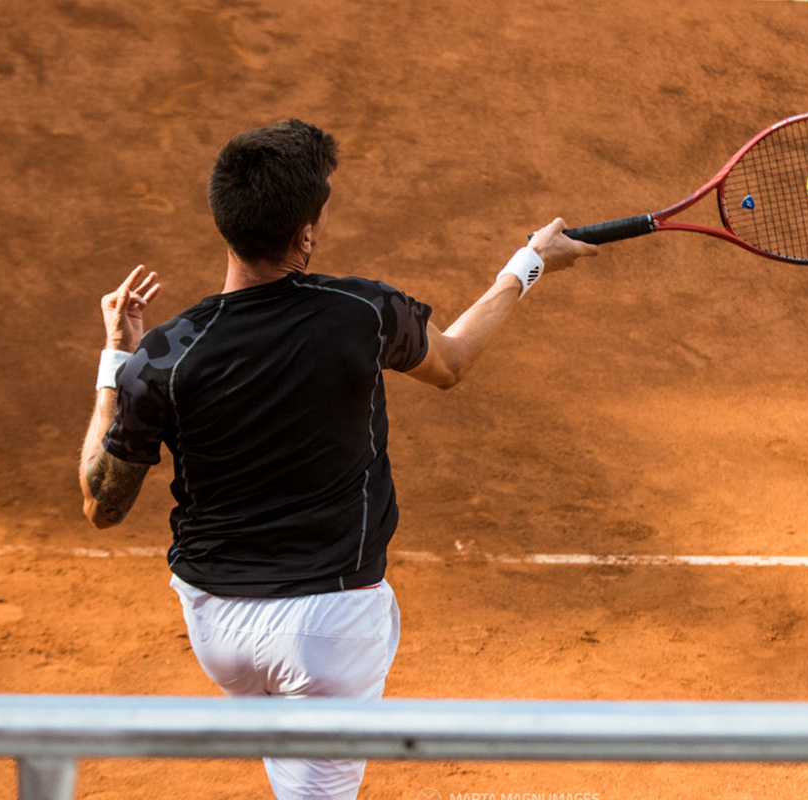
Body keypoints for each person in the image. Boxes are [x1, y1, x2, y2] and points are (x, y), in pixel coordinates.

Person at [77, 118, 597, 800]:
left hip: (215, 627)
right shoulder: (361, 313)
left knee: (291, 767)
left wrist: (116, 359)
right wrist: (527, 264)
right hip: (324, 636)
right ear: (305, 235)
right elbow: (453, 362)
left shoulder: (164, 354)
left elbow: (101, 504)